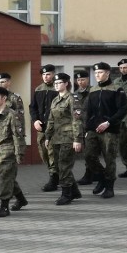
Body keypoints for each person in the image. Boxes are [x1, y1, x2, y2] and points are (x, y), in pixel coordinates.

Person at [83, 62, 127, 199]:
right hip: (93, 130)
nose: (97, 75)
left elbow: (123, 109)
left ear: (108, 73)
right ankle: (102, 177)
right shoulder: (93, 90)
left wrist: (108, 122)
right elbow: (88, 111)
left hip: (110, 130)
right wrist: (86, 128)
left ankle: (109, 187)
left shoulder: (117, 89)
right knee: (89, 156)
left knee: (109, 159)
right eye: (96, 73)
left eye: (100, 72)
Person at [0, 87, 26, 217]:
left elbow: (18, 136)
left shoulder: (12, 115)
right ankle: (21, 199)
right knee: (8, 179)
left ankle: (4, 206)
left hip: (9, 152)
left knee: (5, 179)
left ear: (4, 98)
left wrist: (19, 154)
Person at [44, 73, 83, 205]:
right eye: (55, 83)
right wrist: (47, 136)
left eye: (59, 82)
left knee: (64, 166)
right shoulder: (55, 100)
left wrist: (77, 139)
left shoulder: (72, 99)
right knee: (59, 167)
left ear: (66, 84)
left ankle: (66, 194)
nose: (56, 85)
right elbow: (50, 120)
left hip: (68, 137)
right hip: (56, 138)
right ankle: (75, 191)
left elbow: (76, 120)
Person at [29, 64, 58, 191]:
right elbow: (32, 107)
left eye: (48, 74)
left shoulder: (57, 88)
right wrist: (35, 120)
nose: (46, 77)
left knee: (52, 152)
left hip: (54, 128)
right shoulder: (39, 89)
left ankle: (54, 179)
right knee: (43, 153)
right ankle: (54, 174)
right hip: (41, 127)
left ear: (53, 74)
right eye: (44, 75)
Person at [73, 70, 94, 185]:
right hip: (80, 126)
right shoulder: (75, 94)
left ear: (88, 80)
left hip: (92, 126)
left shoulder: (93, 92)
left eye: (83, 79)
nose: (80, 82)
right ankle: (92, 173)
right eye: (78, 80)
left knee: (90, 152)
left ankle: (90, 174)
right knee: (87, 152)